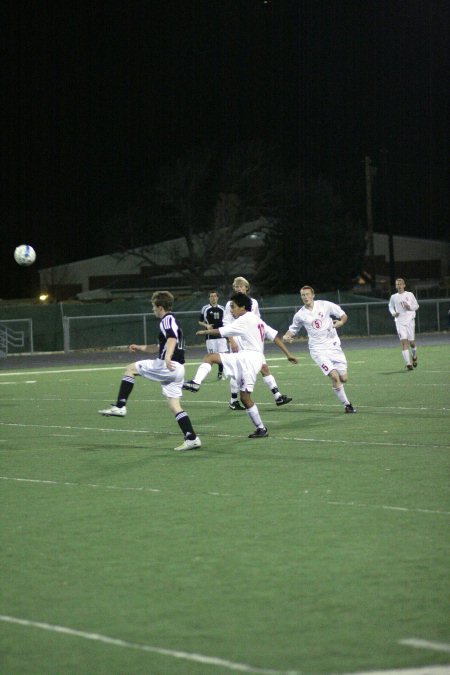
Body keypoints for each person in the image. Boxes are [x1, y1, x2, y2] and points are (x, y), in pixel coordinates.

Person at [183, 292, 298, 438]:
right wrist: (288, 354)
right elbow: (275, 337)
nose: (231, 310)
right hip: (252, 358)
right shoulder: (257, 319)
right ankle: (261, 428)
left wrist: (205, 332)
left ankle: (196, 383)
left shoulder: (244, 319)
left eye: (233, 306)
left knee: (211, 357)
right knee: (244, 397)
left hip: (248, 359)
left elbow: (221, 331)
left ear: (243, 307)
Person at [98, 290, 201, 451]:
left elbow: (172, 338)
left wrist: (167, 357)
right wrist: (139, 347)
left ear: (160, 307)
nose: (152, 309)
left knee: (130, 369)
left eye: (153, 306)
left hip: (168, 365)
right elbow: (160, 347)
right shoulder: (171, 321)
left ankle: (120, 406)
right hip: (178, 369)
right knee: (175, 406)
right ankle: (192, 438)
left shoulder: (167, 319)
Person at [283, 285, 356, 413]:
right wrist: (286, 336)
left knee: (344, 378)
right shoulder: (300, 315)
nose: (305, 297)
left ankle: (340, 387)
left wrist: (341, 322)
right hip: (317, 350)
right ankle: (347, 405)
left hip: (333, 346)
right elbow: (292, 330)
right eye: (302, 295)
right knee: (334, 377)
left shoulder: (325, 305)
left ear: (313, 295)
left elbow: (343, 315)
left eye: (307, 294)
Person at [223, 276, 292, 409]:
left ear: (246, 288)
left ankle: (277, 396)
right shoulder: (230, 303)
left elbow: (257, 319)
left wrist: (260, 335)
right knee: (238, 371)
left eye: (241, 286)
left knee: (263, 367)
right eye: (236, 287)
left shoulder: (253, 302)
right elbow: (226, 323)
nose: (239, 288)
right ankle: (233, 400)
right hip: (238, 338)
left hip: (251, 340)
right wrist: (232, 341)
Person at [388, 278, 420, 370]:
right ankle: (408, 363)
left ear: (404, 285)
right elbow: (390, 306)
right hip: (399, 322)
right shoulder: (393, 297)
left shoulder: (410, 295)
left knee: (412, 343)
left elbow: (417, 306)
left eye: (400, 284)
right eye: (397, 284)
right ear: (396, 286)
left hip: (410, 321)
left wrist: (409, 307)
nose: (399, 286)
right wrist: (394, 313)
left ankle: (414, 356)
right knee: (403, 342)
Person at [198, 290, 227, 379]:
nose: (213, 298)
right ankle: (203, 374)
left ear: (217, 297)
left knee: (222, 356)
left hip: (221, 336)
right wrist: (206, 325)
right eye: (211, 296)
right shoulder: (205, 308)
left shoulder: (222, 308)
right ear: (209, 298)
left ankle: (220, 373)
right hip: (210, 337)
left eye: (215, 296)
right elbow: (200, 321)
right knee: (212, 356)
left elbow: (226, 321)